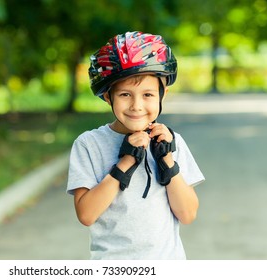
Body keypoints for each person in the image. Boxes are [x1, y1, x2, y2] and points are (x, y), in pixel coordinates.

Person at [66, 31, 205, 260]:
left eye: (148, 94)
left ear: (163, 94)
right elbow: (86, 214)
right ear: (109, 97)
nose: (137, 105)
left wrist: (167, 161)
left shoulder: (171, 141)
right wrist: (125, 162)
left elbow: (188, 213)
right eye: (125, 94)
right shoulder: (89, 144)